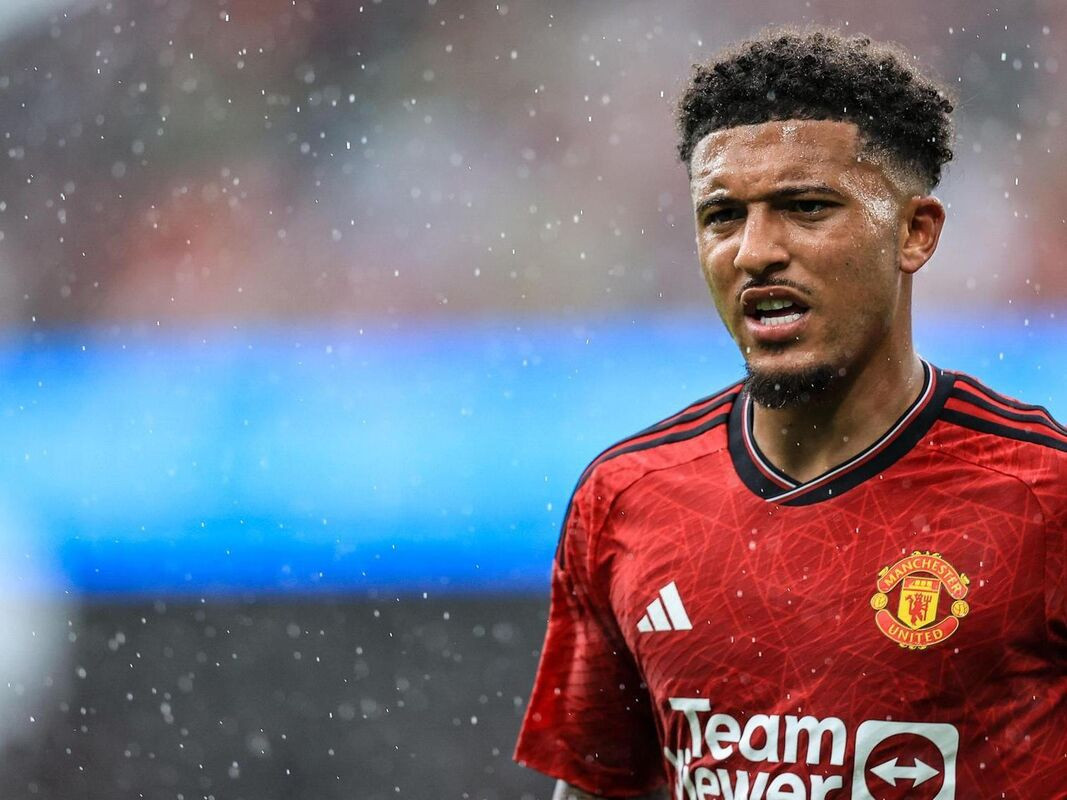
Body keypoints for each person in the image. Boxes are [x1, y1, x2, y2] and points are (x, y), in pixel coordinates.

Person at [513, 27, 1067, 800]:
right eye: (721, 216)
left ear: (914, 233)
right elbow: (600, 785)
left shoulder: (1042, 493)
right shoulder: (625, 497)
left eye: (804, 207)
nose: (753, 251)